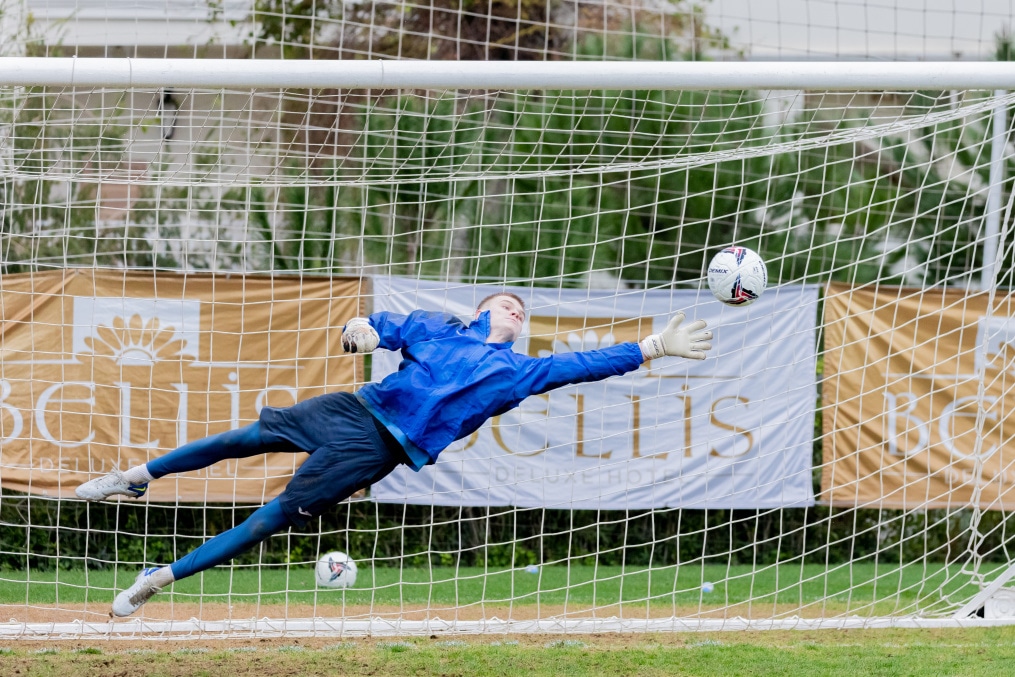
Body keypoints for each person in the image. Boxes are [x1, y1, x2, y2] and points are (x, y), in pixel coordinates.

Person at [76, 292, 713, 617]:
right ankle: (135, 476)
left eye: (522, 308)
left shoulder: (519, 372)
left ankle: (154, 582)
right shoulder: (442, 327)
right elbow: (385, 327)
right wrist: (366, 330)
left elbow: (583, 363)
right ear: (481, 310)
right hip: (353, 407)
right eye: (505, 301)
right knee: (242, 439)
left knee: (267, 519)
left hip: (378, 447)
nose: (515, 308)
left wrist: (653, 346)